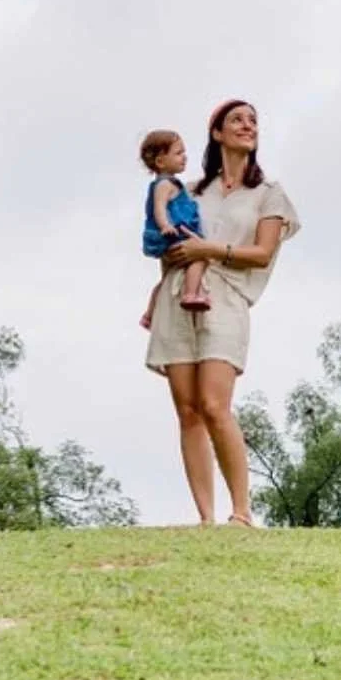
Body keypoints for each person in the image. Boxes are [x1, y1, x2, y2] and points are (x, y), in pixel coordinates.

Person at [146, 100, 302, 527]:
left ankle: (241, 512)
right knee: (188, 409)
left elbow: (263, 252)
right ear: (217, 132)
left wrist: (208, 250)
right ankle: (205, 518)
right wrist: (161, 286)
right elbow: (169, 241)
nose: (247, 126)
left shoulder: (269, 194)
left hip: (228, 298)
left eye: (254, 120)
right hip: (178, 296)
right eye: (237, 120)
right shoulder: (191, 191)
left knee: (215, 404)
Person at [136, 130, 211, 330]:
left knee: (167, 278)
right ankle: (191, 294)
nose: (184, 157)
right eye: (178, 153)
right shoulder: (164, 185)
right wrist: (165, 226)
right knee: (200, 258)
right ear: (160, 161)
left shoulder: (169, 184)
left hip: (172, 231)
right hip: (174, 232)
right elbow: (159, 208)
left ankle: (150, 314)